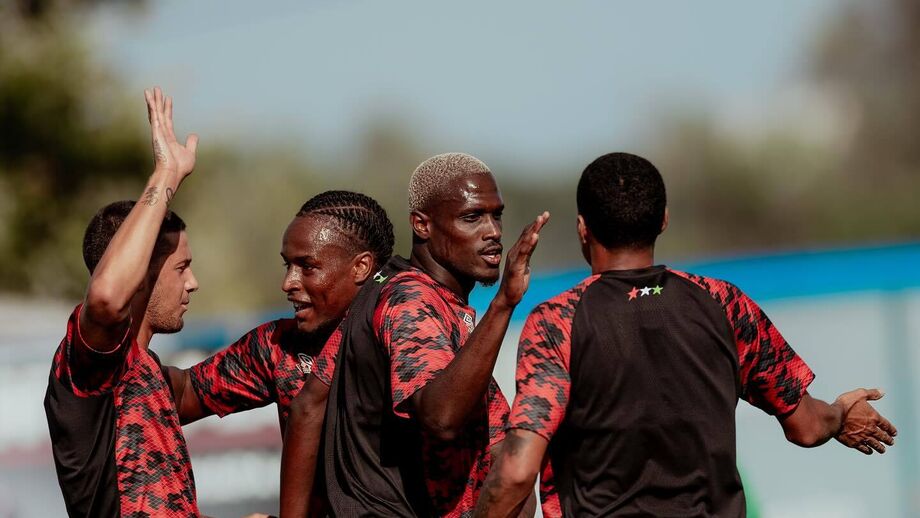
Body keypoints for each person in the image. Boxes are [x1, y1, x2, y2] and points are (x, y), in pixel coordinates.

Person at [473, 152, 899, 518]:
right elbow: (806, 425)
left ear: (583, 228)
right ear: (663, 220)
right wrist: (841, 412)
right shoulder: (724, 304)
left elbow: (515, 471)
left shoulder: (557, 322)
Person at [279, 153, 545, 517]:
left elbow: (310, 404)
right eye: (472, 217)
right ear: (422, 225)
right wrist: (504, 303)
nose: (494, 232)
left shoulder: (391, 289)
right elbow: (442, 417)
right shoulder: (409, 299)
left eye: (495, 215)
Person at [44, 87, 202, 517]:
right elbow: (108, 296)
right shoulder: (88, 368)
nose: (193, 283)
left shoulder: (151, 374)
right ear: (140, 277)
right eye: (181, 267)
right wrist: (166, 175)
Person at [163, 190, 394, 434]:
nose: (288, 282)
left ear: (361, 267)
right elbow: (181, 394)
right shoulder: (281, 347)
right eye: (288, 265)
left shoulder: (408, 335)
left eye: (307, 266)